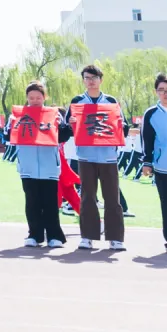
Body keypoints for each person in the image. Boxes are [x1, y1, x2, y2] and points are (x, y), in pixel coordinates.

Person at [66, 64, 126, 251]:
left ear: (101, 80)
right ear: (83, 80)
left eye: (94, 78)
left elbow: (123, 128)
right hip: (86, 157)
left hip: (108, 157)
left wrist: (119, 124)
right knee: (87, 198)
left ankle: (115, 238)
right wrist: (71, 124)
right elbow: (66, 129)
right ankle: (87, 237)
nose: (90, 81)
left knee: (112, 199)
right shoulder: (77, 101)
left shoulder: (111, 101)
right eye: (87, 78)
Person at [5, 82, 72, 248]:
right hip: (27, 166)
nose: (35, 101)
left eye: (38, 97)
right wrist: (12, 125)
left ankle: (54, 236)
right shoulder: (18, 115)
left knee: (50, 202)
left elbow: (64, 136)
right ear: (27, 98)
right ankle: (34, 235)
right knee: (32, 202)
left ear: (44, 97)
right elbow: (8, 136)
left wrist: (63, 125)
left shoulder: (54, 114)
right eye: (31, 98)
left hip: (49, 165)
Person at [141, 74, 167, 251]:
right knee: (166, 204)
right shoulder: (151, 114)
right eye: (161, 90)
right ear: (156, 92)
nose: (165, 93)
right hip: (162, 168)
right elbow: (147, 140)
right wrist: (147, 162)